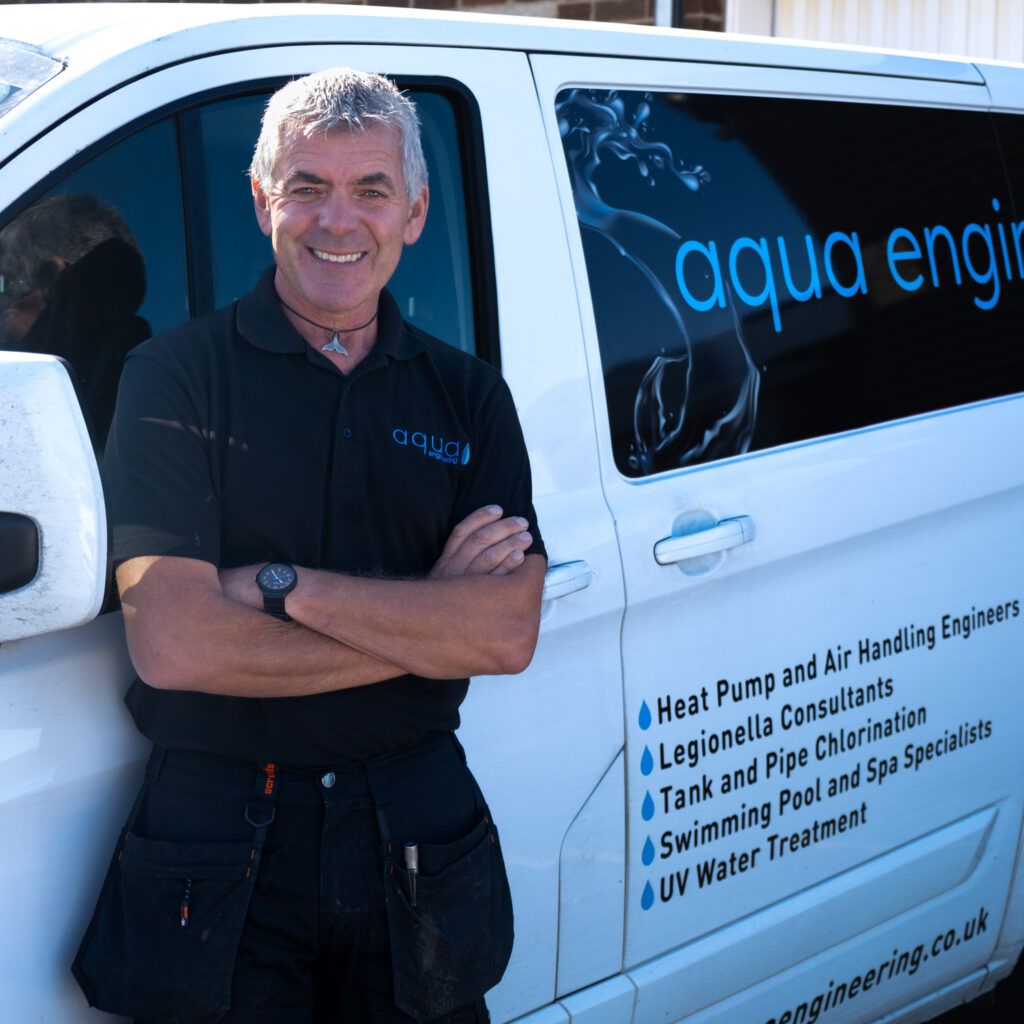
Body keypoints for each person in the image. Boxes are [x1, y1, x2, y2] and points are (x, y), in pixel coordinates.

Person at [72, 68, 546, 1024]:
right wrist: (424, 619)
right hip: (221, 838)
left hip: (418, 829)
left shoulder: (468, 395)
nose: (339, 221)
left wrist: (279, 586)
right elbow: (176, 644)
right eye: (307, 187)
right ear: (262, 203)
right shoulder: (174, 376)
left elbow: (503, 636)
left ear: (414, 213)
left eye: (371, 190)